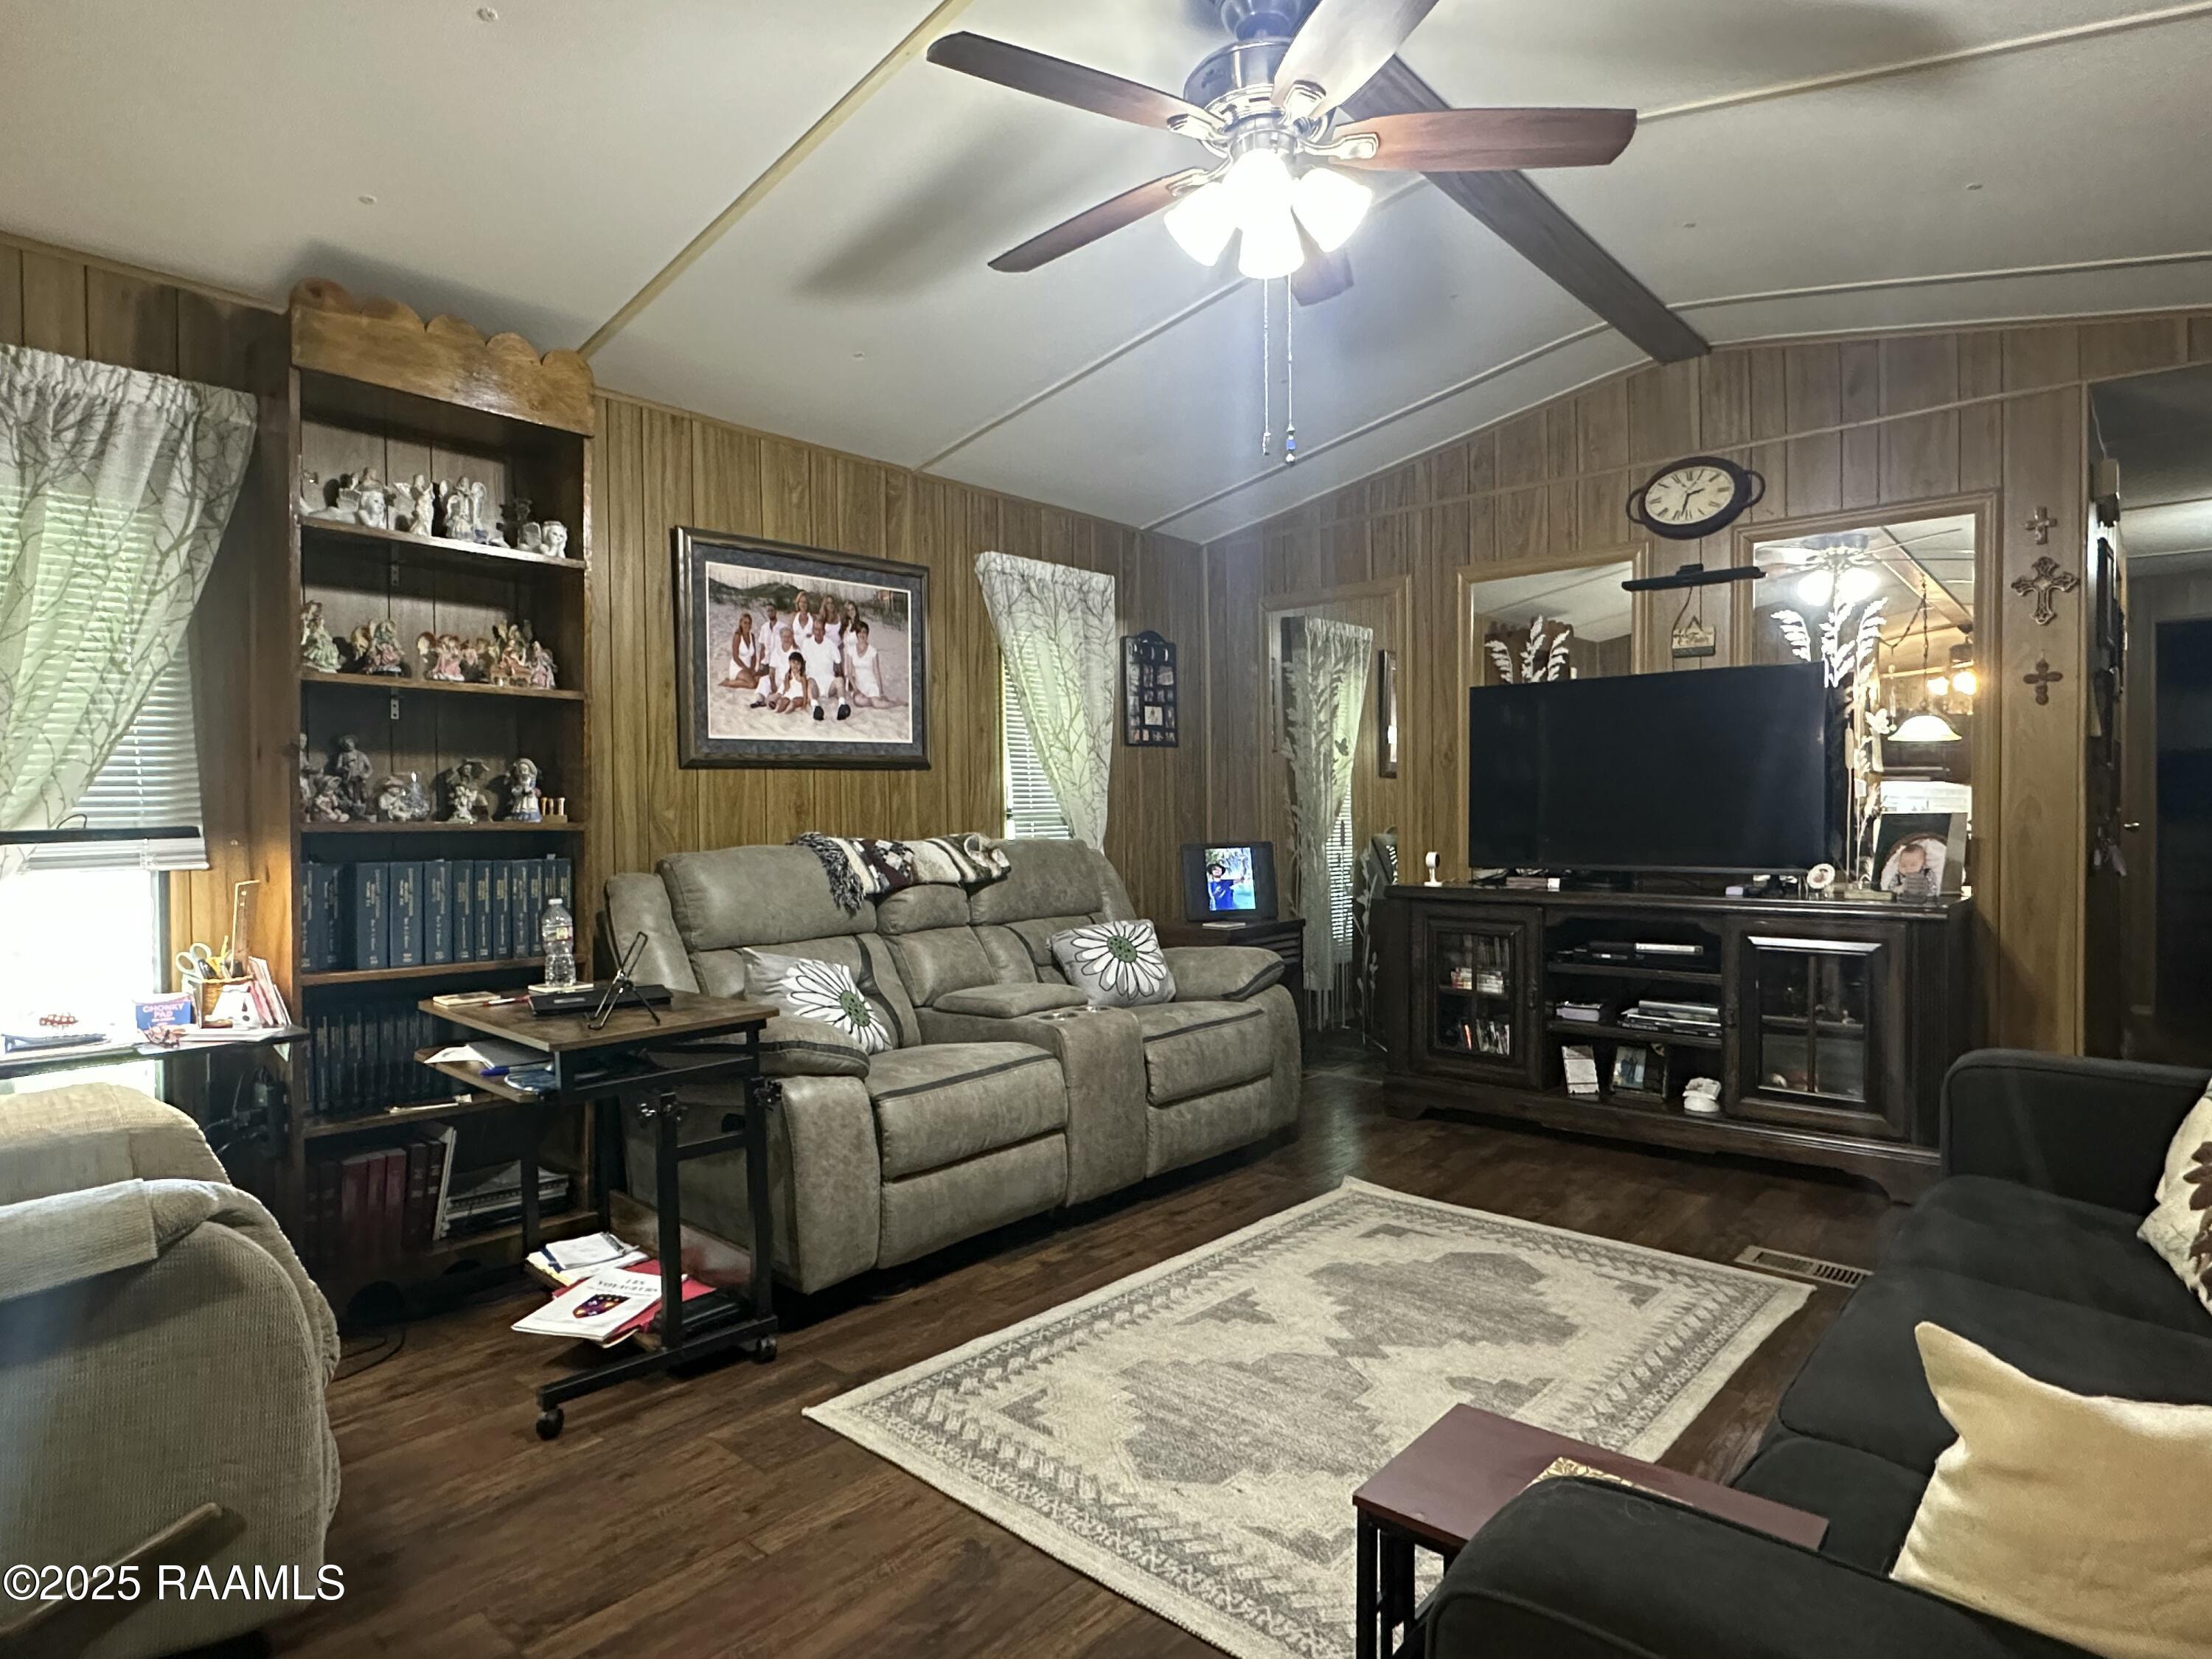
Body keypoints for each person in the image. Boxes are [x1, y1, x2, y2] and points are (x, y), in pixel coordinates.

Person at [798, 613, 849, 722]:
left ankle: (842, 705)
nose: (818, 632)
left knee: (839, 680)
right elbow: (802, 664)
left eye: (821, 630)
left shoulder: (831, 644)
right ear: (813, 630)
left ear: (824, 631)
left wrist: (842, 682)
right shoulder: (807, 643)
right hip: (815, 683)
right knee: (810, 682)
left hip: (829, 683)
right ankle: (816, 707)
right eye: (816, 629)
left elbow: (839, 665)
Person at [844, 619, 897, 709]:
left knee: (877, 704)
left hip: (871, 684)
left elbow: (877, 672)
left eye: (864, 632)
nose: (862, 634)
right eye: (860, 632)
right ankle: (874, 701)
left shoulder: (873, 651)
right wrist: (855, 689)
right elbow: (849, 672)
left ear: (867, 635)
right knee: (858, 701)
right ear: (857, 634)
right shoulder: (851, 650)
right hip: (859, 685)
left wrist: (881, 692)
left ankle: (897, 703)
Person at [721, 613, 759, 689]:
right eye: (745, 623)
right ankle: (728, 683)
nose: (747, 625)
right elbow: (735, 657)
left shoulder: (752, 636)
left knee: (759, 681)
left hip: (749, 667)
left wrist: (752, 668)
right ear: (740, 623)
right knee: (753, 684)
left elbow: (754, 656)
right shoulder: (738, 636)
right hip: (738, 667)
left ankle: (739, 681)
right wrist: (746, 669)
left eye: (749, 623)